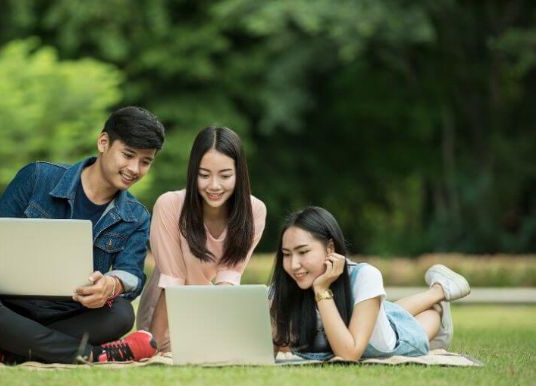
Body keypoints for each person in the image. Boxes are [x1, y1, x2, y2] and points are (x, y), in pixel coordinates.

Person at [0, 106, 165, 364]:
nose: (135, 168)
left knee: (121, 314)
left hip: (72, 313)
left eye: (145, 162)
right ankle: (94, 354)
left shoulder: (137, 216)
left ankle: (5, 350)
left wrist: (112, 285)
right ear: (103, 142)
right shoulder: (37, 177)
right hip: (7, 308)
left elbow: (130, 273)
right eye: (128, 155)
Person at [270, 206, 471, 361]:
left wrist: (322, 290)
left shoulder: (365, 276)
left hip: (394, 338)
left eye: (303, 252)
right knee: (386, 310)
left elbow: (349, 354)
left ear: (330, 248)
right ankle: (439, 289)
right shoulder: (286, 285)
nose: (294, 264)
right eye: (287, 255)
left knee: (427, 315)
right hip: (377, 314)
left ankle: (438, 295)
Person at [136, 126, 267, 352]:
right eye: (204, 175)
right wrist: (154, 349)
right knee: (168, 350)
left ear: (239, 174)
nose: (214, 186)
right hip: (165, 305)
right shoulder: (170, 205)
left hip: (211, 303)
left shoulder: (254, 211)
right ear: (193, 172)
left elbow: (228, 280)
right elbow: (171, 283)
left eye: (225, 175)